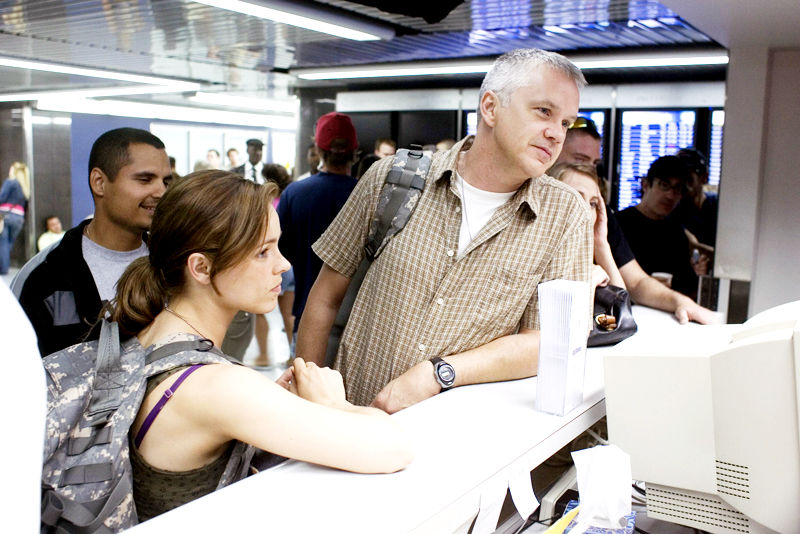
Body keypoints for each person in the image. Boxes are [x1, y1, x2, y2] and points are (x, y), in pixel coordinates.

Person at [297, 49, 593, 412]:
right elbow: (325, 298)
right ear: (490, 107)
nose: (555, 134)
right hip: (348, 418)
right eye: (544, 112)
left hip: (451, 436)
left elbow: (545, 340)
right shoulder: (392, 178)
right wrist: (307, 405)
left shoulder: (564, 214)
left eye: (566, 123)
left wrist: (439, 372)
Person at [111, 170, 412, 520]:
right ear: (201, 268)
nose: (283, 265)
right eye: (262, 253)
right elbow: (394, 449)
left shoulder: (147, 334)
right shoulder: (215, 387)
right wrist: (335, 404)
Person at [13, 127, 172, 357]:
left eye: (166, 181)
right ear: (99, 182)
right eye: (145, 179)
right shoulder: (44, 276)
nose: (161, 192)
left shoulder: (174, 266)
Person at [553, 119, 718, 325]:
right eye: (580, 159)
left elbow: (633, 288)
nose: (588, 171)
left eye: (595, 164)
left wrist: (682, 302)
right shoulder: (538, 218)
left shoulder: (602, 221)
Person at [278, 112, 359, 348]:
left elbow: (283, 251)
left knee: (306, 381)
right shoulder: (369, 196)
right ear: (354, 151)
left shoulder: (294, 194)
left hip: (308, 314)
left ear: (319, 150)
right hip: (356, 321)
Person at [616, 155, 701, 298]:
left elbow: (688, 285)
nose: (670, 195)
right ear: (645, 184)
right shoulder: (618, 224)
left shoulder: (676, 232)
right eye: (664, 185)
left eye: (677, 189)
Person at [549, 163, 624, 289]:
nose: (587, 211)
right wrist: (588, 284)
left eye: (592, 204)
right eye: (576, 198)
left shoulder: (586, 262)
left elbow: (621, 305)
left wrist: (600, 243)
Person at [252, 163, 295, 365]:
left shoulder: (267, 204)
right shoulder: (289, 198)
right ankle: (292, 355)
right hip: (290, 263)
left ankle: (263, 355)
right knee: (289, 315)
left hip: (270, 263)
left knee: (260, 313)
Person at [674, 147, 718, 248]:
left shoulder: (719, 207)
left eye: (687, 178)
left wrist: (695, 246)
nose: (681, 184)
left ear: (704, 178)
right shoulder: (670, 211)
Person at [0, 161, 31, 274]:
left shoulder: (10, 182)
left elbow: (2, 198)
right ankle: (4, 266)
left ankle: (3, 269)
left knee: (2, 243)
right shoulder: (25, 187)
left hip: (5, 216)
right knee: (8, 244)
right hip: (18, 218)